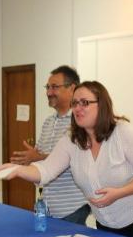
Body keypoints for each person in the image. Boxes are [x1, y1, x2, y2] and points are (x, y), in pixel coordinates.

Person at [0, 80, 133, 237]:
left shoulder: (123, 132)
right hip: (107, 221)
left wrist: (119, 193)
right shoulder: (71, 140)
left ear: (101, 105)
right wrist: (16, 170)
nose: (77, 108)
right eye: (74, 103)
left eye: (84, 103)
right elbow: (45, 170)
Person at [10, 65, 90, 224]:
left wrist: (38, 157)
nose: (48, 92)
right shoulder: (48, 122)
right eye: (47, 87)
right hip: (47, 206)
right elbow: (42, 161)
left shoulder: (79, 122)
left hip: (72, 207)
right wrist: (30, 160)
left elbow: (78, 158)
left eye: (55, 87)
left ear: (72, 88)